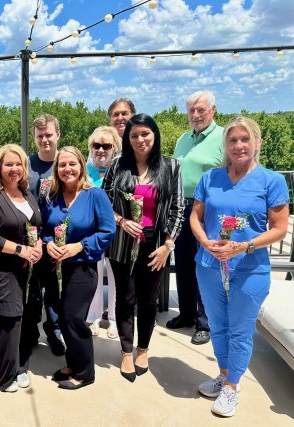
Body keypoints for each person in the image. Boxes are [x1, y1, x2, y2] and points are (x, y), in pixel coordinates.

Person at [190, 116, 289, 417]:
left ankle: (232, 387)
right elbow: (195, 216)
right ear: (226, 145)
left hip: (250, 268)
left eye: (245, 139)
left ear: (257, 143)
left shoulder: (272, 181)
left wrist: (244, 246)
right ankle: (223, 374)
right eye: (232, 140)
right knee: (218, 327)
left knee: (240, 331)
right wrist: (206, 242)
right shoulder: (210, 179)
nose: (239, 145)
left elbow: (279, 228)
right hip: (209, 265)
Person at [102, 114, 184, 383]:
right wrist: (122, 221)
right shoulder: (117, 166)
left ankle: (143, 348)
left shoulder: (171, 167)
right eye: (134, 135)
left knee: (148, 300)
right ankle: (126, 350)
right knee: (125, 299)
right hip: (122, 242)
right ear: (127, 139)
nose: (140, 140)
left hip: (155, 244)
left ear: (155, 135)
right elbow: (104, 204)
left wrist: (167, 246)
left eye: (145, 134)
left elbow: (178, 209)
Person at [42, 146, 115, 389]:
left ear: (81, 166)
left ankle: (85, 373)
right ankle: (72, 363)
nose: (67, 169)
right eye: (62, 165)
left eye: (72, 164)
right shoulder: (51, 197)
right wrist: (49, 243)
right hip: (56, 268)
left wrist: (80, 246)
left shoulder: (95, 195)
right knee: (62, 318)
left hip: (82, 268)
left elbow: (107, 231)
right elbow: (44, 230)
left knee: (74, 317)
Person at [0, 144, 43, 392]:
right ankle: (1, 374)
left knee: (25, 319)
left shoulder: (26, 194)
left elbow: (35, 226)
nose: (14, 169)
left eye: (19, 164)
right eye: (9, 164)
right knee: (8, 322)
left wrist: (39, 244)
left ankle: (19, 367)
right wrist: (19, 249)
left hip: (26, 271)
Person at [168, 90, 224, 346]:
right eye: (191, 110)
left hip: (208, 210)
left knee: (205, 265)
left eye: (201, 109)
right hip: (182, 206)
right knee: (183, 263)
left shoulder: (222, 137)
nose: (196, 114)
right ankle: (187, 314)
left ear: (212, 110)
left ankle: (206, 322)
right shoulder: (183, 138)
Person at [27, 113, 64, 356]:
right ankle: (30, 332)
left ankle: (54, 331)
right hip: (29, 238)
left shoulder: (66, 162)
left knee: (55, 290)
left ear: (58, 135)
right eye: (40, 136)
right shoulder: (27, 164)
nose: (45, 140)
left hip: (58, 238)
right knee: (31, 289)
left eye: (49, 135)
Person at [85, 126, 122, 339]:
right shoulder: (85, 170)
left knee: (116, 275)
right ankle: (94, 316)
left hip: (116, 231)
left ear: (114, 148)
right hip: (91, 231)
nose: (100, 150)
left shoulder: (121, 171)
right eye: (96, 145)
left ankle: (115, 318)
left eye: (106, 146)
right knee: (94, 274)